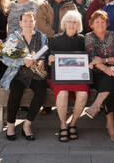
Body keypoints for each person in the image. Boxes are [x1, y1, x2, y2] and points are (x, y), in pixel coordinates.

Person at [0, 11, 48, 141]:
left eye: (31, 20)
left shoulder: (41, 36)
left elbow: (44, 54)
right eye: (25, 21)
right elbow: (5, 59)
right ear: (20, 23)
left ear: (34, 22)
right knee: (15, 92)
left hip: (35, 74)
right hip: (18, 74)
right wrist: (22, 61)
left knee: (41, 90)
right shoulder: (13, 38)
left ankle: (27, 125)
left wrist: (42, 61)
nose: (28, 23)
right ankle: (10, 125)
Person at [47, 11, 89, 142]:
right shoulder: (55, 39)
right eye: (69, 21)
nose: (72, 24)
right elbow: (47, 60)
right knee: (63, 92)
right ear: (64, 23)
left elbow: (86, 59)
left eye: (75, 22)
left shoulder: (83, 40)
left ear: (78, 25)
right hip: (59, 77)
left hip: (77, 77)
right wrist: (50, 59)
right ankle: (63, 124)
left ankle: (73, 123)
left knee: (83, 93)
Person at [84, 10, 114, 142]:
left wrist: (105, 61)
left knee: (111, 76)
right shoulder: (89, 37)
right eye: (97, 22)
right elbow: (92, 58)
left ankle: (96, 106)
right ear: (91, 24)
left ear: (107, 23)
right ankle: (110, 124)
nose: (100, 24)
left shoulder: (113, 35)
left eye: (103, 21)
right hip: (97, 73)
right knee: (110, 79)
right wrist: (106, 67)